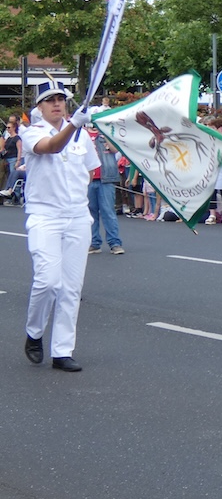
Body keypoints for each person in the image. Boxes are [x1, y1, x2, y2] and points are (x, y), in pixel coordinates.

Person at [22, 82, 98, 372]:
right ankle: (34, 332)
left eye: (61, 99)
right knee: (48, 280)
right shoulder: (33, 132)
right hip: (45, 216)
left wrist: (75, 198)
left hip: (77, 216)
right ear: (39, 107)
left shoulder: (81, 135)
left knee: (71, 288)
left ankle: (62, 350)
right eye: (49, 100)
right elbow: (52, 147)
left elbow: (89, 170)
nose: (56, 104)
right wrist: (74, 126)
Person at [86, 126, 125, 255]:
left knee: (108, 211)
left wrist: (106, 136)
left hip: (106, 178)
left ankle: (114, 243)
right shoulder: (81, 135)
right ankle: (94, 243)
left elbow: (115, 150)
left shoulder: (106, 134)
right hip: (87, 179)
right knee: (91, 213)